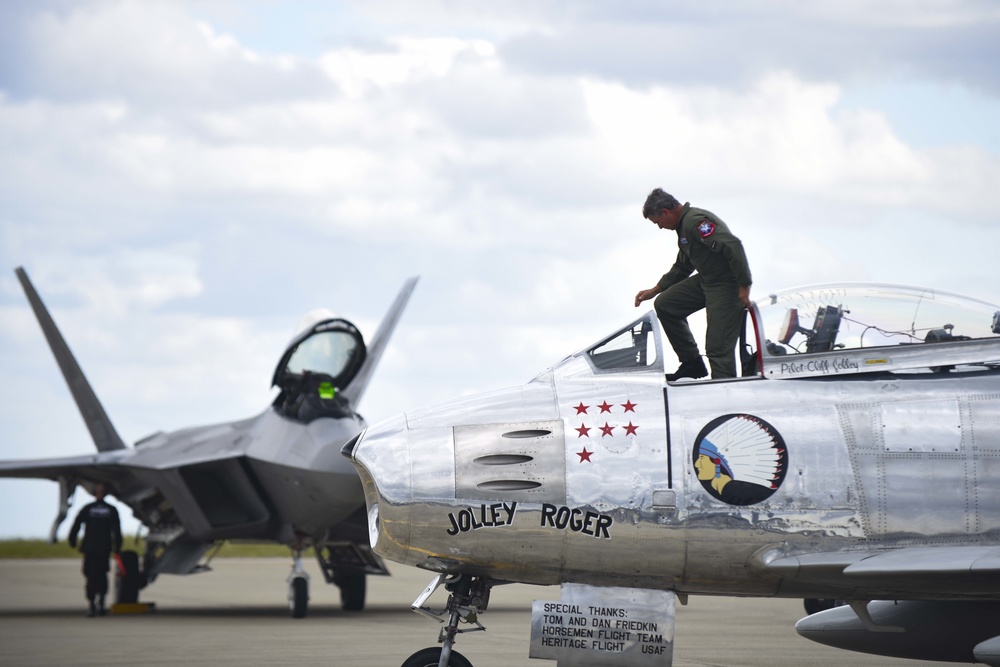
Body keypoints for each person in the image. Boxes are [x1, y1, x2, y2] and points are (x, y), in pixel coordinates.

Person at [634, 188, 752, 380]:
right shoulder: (684, 227)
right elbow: (683, 265)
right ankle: (692, 364)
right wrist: (655, 290)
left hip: (726, 284)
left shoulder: (695, 222)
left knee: (718, 347)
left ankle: (725, 391)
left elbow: (733, 245)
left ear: (665, 212)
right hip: (708, 279)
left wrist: (744, 286)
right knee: (666, 304)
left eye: (658, 222)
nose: (660, 227)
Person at [68, 482, 122, 617]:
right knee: (94, 576)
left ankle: (98, 604)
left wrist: (72, 539)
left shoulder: (92, 508)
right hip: (95, 549)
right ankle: (95, 604)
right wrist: (117, 546)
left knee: (96, 576)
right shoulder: (106, 509)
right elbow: (78, 523)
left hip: (97, 548)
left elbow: (116, 529)